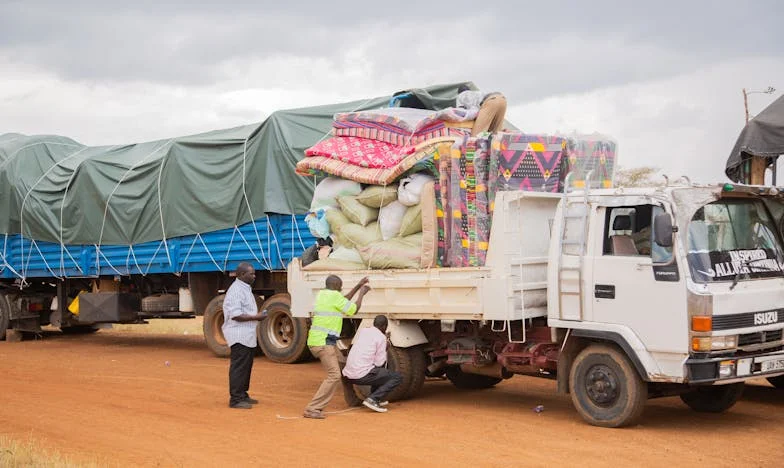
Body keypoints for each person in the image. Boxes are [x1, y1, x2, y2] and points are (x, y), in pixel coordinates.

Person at [303, 275, 371, 419]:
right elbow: (353, 310)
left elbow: (344, 299)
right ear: (336, 286)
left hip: (322, 341)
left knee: (344, 369)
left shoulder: (323, 294)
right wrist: (362, 293)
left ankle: (353, 400)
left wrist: (358, 285)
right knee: (334, 375)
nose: (341, 289)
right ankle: (312, 408)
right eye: (340, 286)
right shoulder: (334, 296)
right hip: (323, 342)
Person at [222, 262, 267, 409]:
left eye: (254, 273)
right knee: (239, 367)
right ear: (242, 274)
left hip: (247, 334)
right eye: (251, 274)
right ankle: (235, 399)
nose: (254, 276)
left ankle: (243, 394)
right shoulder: (236, 291)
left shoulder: (245, 288)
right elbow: (235, 315)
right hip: (238, 334)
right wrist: (257, 317)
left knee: (246, 366)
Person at [342, 315, 402, 413]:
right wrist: (385, 345)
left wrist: (383, 338)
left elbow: (372, 341)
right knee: (396, 377)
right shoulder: (381, 338)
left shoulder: (364, 331)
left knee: (378, 372)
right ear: (384, 326)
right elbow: (379, 362)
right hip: (360, 376)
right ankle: (373, 399)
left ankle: (375, 398)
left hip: (348, 375)